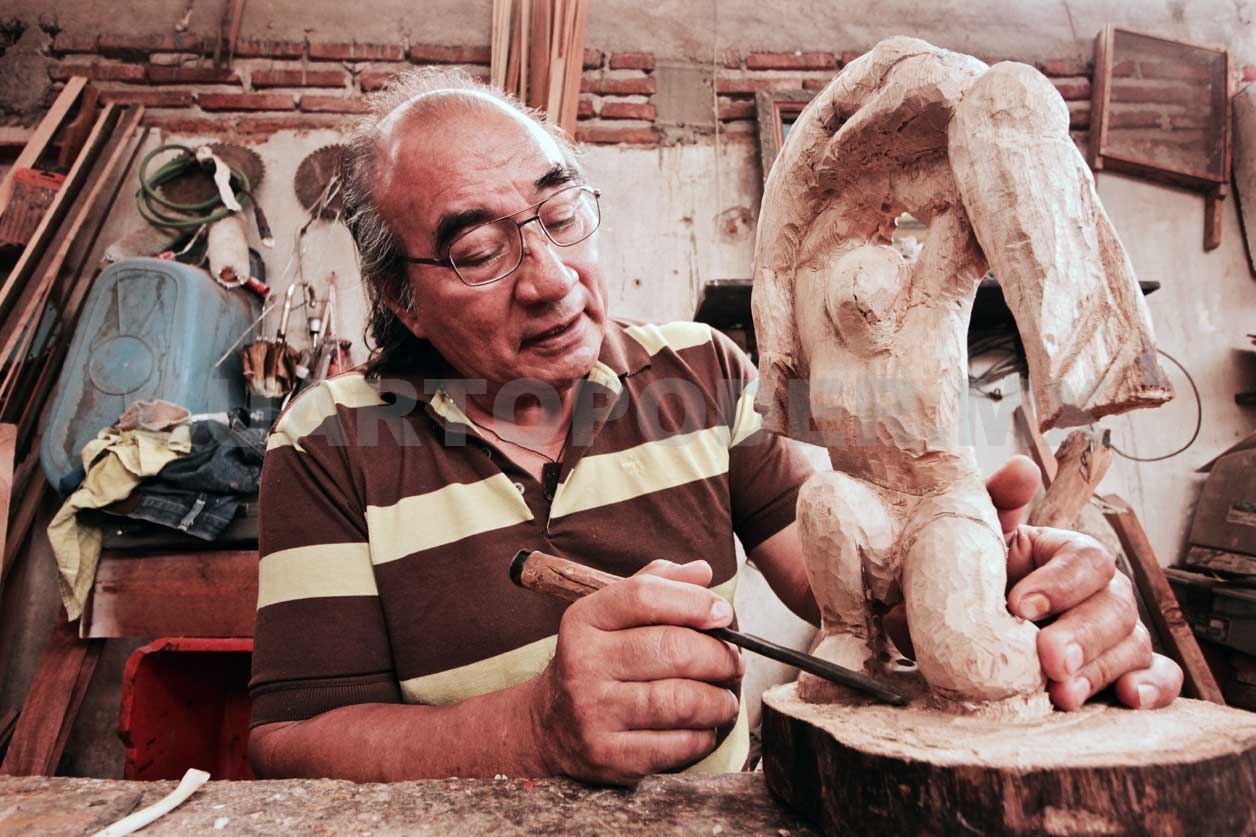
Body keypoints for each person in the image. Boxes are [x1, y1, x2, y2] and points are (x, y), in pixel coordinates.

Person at [247, 69, 1183, 785]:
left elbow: (848, 589)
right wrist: (531, 730)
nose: (553, 279)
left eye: (561, 214)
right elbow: (292, 740)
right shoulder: (329, 441)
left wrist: (990, 584)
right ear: (401, 298)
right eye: (480, 250)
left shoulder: (703, 370)